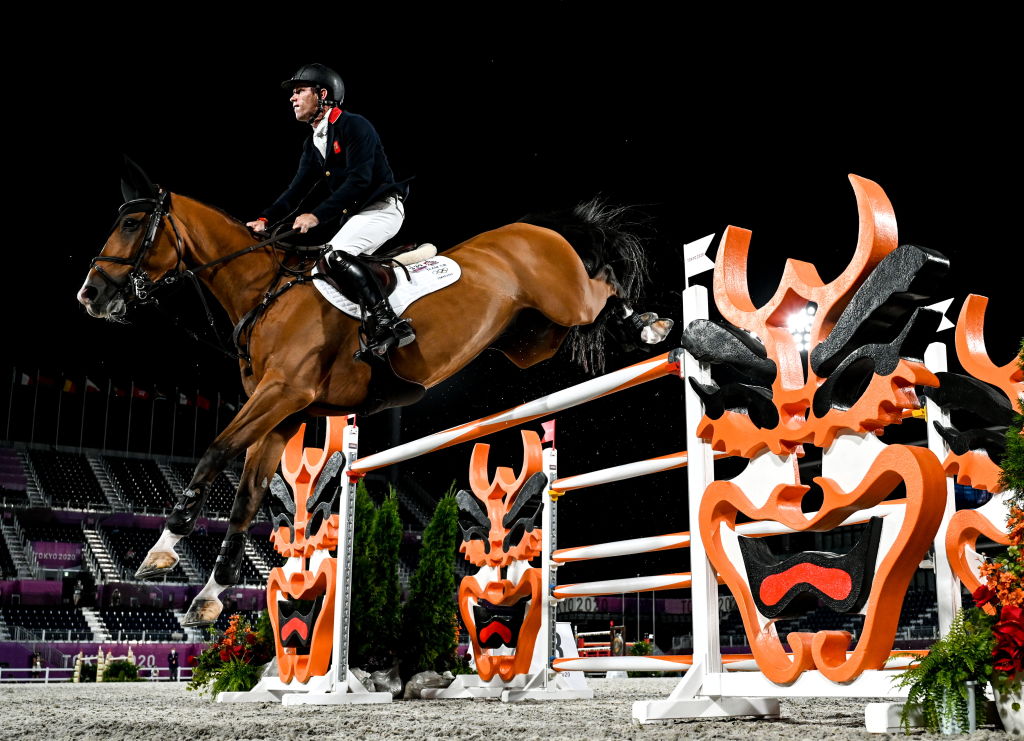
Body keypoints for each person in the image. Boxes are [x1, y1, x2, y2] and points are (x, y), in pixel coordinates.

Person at [246, 63, 413, 360]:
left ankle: (390, 323)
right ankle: (364, 330)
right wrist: (264, 219)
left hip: (383, 209)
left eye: (300, 91)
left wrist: (317, 215)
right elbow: (296, 191)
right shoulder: (313, 142)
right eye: (293, 93)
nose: (292, 98)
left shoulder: (355, 125)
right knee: (321, 268)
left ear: (322, 95)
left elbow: (360, 180)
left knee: (336, 255)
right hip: (360, 216)